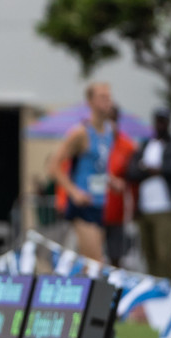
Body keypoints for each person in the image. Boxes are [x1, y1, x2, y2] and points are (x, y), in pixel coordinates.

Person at [48, 82, 117, 263]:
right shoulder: (81, 134)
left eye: (108, 97)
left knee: (90, 263)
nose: (107, 101)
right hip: (83, 204)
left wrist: (111, 180)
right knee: (96, 261)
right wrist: (74, 192)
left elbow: (98, 166)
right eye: (102, 97)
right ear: (91, 102)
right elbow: (53, 166)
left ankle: (80, 286)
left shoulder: (110, 132)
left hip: (100, 202)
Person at [126, 107, 171, 279]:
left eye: (164, 121)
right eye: (158, 120)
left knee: (163, 253)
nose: (160, 124)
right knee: (148, 254)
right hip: (144, 208)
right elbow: (132, 172)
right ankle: (155, 291)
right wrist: (152, 170)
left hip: (166, 207)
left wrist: (153, 169)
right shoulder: (145, 146)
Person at [104, 106, 137, 268]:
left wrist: (136, 207)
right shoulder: (89, 140)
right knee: (92, 256)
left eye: (113, 120)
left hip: (117, 211)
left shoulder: (127, 146)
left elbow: (134, 179)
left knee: (116, 256)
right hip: (92, 210)